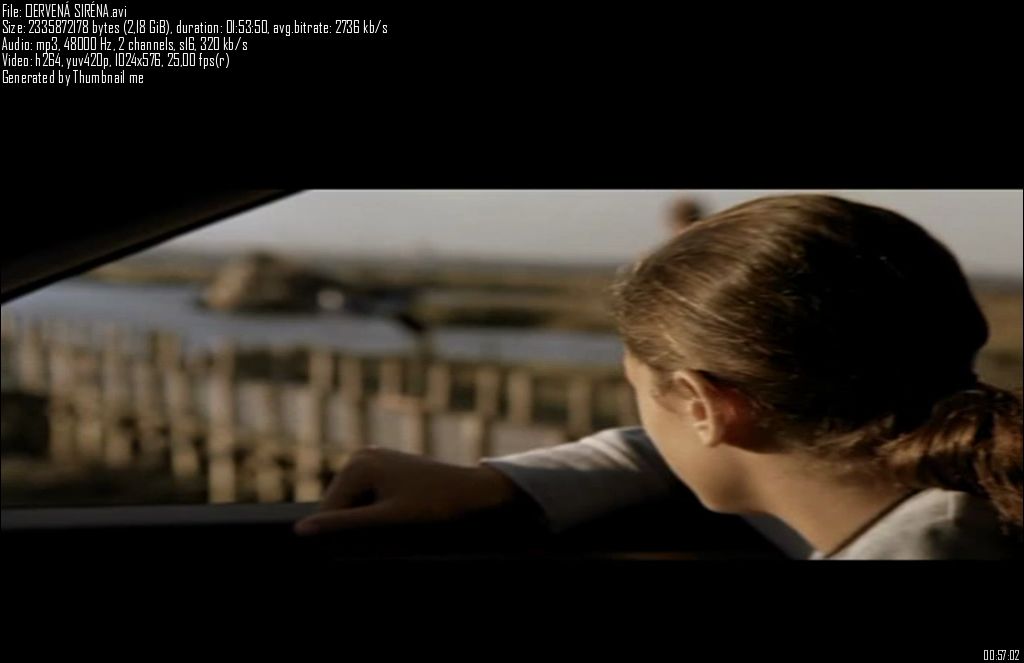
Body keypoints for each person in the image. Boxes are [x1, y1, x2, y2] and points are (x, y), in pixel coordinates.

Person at [295, 194, 1023, 560]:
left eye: (642, 392)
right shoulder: (972, 498)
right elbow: (691, 452)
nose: (646, 419)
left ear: (706, 407)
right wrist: (504, 484)